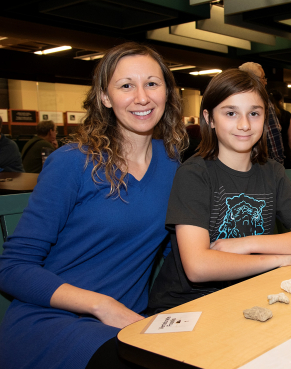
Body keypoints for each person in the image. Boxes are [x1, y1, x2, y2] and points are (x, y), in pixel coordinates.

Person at [0, 42, 187, 369]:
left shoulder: (173, 165)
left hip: (127, 322)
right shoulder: (72, 163)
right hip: (51, 324)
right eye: (126, 85)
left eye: (152, 83)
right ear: (104, 97)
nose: (141, 97)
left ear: (167, 93)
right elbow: (11, 267)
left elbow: (179, 251)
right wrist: (103, 306)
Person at [148, 69, 291, 313]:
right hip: (188, 305)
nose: (244, 124)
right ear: (209, 118)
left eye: (254, 113)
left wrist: (245, 244)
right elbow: (198, 266)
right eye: (231, 113)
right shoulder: (194, 174)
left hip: (247, 296)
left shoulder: (271, 171)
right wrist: (278, 259)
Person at [239, 62, 285, 165]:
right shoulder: (263, 100)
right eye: (263, 78)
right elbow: (273, 133)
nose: (265, 82)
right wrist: (278, 163)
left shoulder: (234, 96)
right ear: (254, 79)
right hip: (261, 163)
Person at [269, 89, 291, 169]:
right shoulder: (287, 115)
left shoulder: (265, 114)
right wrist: (286, 149)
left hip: (266, 156)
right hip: (283, 155)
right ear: (280, 101)